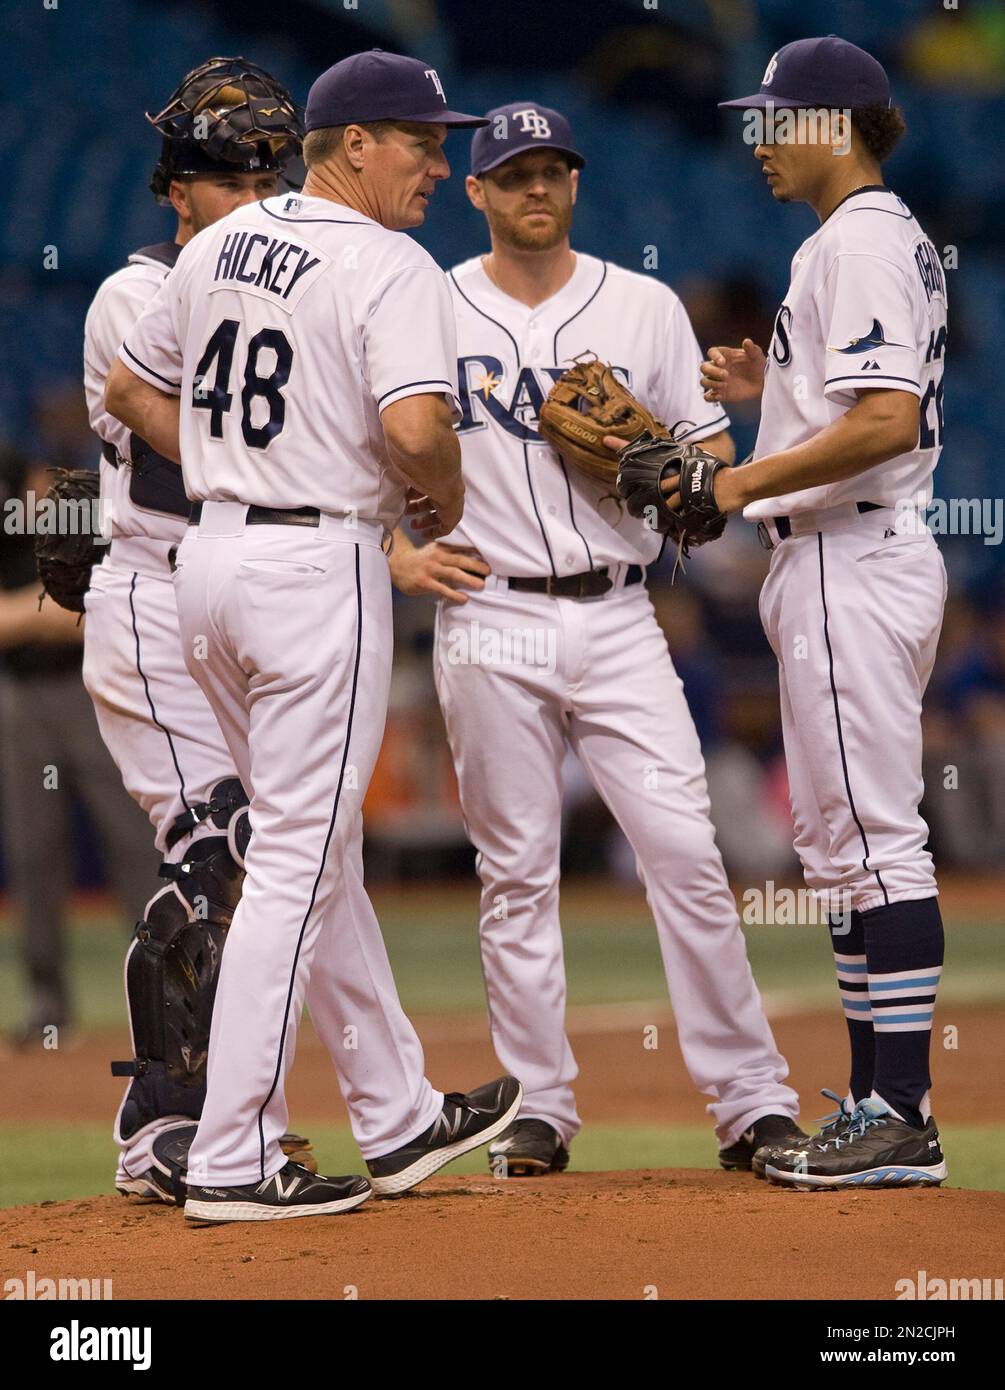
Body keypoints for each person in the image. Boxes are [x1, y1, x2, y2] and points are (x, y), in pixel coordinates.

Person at [104, 49, 520, 1224]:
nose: (442, 163)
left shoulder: (221, 243)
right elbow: (418, 423)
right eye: (420, 141)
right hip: (312, 570)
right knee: (295, 857)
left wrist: (239, 470)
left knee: (307, 846)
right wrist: (437, 496)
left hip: (210, 565)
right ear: (350, 146)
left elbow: (135, 392)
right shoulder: (390, 262)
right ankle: (233, 1155)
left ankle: (393, 1119)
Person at [389, 102, 802, 1177]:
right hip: (490, 606)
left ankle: (752, 1101)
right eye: (513, 172)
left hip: (618, 611)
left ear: (575, 184)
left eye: (554, 170)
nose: (537, 188)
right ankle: (538, 1104)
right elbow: (362, 448)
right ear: (474, 191)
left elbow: (708, 475)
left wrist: (672, 471)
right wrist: (396, 554)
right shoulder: (423, 306)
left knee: (687, 858)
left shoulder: (645, 305)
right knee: (515, 871)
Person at [699, 37, 949, 1187]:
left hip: (853, 556)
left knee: (874, 837)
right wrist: (777, 396)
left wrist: (745, 477)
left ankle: (900, 1108)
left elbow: (889, 420)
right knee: (840, 843)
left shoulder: (855, 240)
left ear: (831, 124)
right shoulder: (861, 239)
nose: (760, 139)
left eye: (777, 119)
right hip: (842, 557)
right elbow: (856, 405)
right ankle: (872, 1103)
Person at [82, 56, 317, 1203]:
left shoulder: (265, 288)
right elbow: (206, 445)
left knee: (264, 853)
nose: (255, 197)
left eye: (268, 175)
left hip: (224, 595)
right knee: (219, 847)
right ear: (176, 188)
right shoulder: (136, 296)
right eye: (229, 178)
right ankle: (159, 1121)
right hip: (150, 598)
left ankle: (229, 1117)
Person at [0, 448, 156, 1046]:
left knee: (135, 845)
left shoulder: (86, 519)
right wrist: (33, 616)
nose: (37, 499)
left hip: (90, 692)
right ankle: (46, 1005)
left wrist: (23, 617)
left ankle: (167, 996)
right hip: (23, 700)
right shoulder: (15, 534)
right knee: (33, 852)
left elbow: (90, 617)